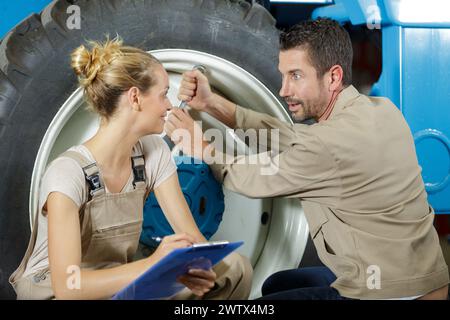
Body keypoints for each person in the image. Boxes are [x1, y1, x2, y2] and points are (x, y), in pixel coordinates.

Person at [164, 18, 449, 300]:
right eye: (284, 75)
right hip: (420, 277)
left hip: (387, 292)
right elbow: (289, 138)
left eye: (296, 76)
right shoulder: (380, 110)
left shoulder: (326, 145)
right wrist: (211, 103)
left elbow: (248, 177)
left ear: (333, 77)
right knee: (276, 283)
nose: (283, 90)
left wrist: (199, 146)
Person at [9, 37, 252, 300]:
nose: (169, 105)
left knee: (235, 269)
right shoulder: (67, 173)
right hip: (61, 292)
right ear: (135, 97)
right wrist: (154, 264)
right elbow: (68, 287)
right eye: (163, 95)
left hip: (123, 281)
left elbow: (193, 238)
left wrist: (196, 268)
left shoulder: (154, 153)